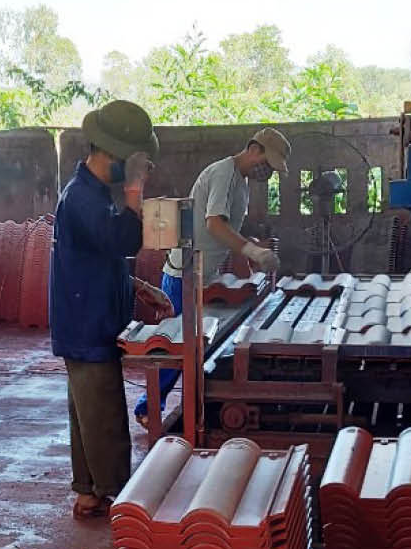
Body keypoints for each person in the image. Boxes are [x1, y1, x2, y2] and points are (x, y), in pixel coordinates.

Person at [50, 100, 170, 520]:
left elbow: (99, 258)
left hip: (88, 317)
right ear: (114, 155)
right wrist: (135, 191)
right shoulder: (83, 197)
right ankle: (121, 501)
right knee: (104, 416)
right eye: (135, 162)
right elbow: (122, 240)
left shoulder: (92, 194)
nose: (137, 170)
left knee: (88, 413)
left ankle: (89, 492)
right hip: (87, 323)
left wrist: (139, 286)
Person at [134, 128, 290, 429]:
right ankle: (148, 407)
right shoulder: (224, 173)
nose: (267, 171)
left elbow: (228, 232)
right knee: (177, 346)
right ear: (253, 149)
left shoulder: (241, 182)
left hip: (204, 273)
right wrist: (253, 251)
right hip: (184, 274)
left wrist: (249, 264)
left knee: (196, 345)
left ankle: (193, 405)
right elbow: (215, 224)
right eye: (267, 163)